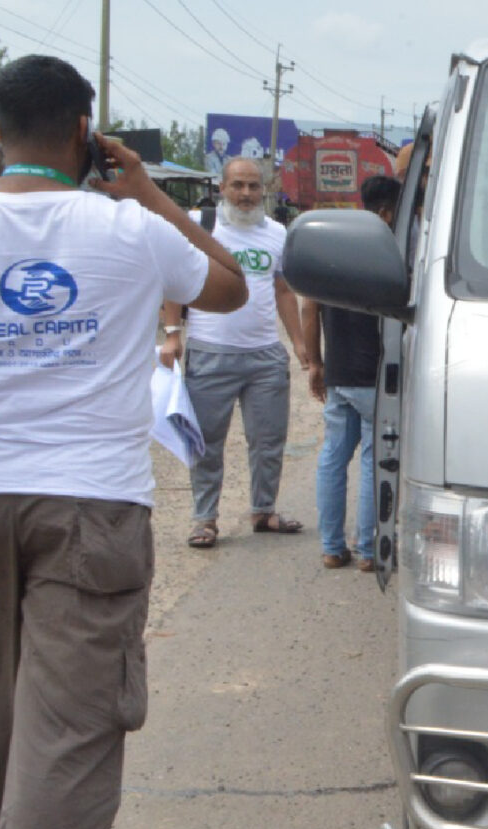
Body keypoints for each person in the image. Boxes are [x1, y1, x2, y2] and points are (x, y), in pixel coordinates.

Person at [0, 55, 245, 829]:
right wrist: (144, 187)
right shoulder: (129, 229)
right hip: (91, 503)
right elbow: (225, 286)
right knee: (69, 721)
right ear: (83, 130)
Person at [167, 152, 307, 548]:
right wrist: (173, 333)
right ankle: (204, 519)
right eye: (238, 185)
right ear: (222, 188)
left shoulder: (278, 234)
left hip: (264, 356)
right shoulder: (200, 227)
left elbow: (283, 290)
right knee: (207, 441)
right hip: (210, 353)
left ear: (263, 191)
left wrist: (298, 344)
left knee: (268, 440)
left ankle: (264, 510)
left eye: (253, 186)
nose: (246, 194)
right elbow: (174, 279)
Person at [309, 172, 400, 572]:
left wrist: (314, 362)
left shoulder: (335, 252)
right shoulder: (389, 255)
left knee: (332, 456)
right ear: (385, 212)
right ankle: (368, 550)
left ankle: (331, 548)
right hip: (372, 376)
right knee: (371, 460)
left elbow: (308, 307)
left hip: (339, 372)